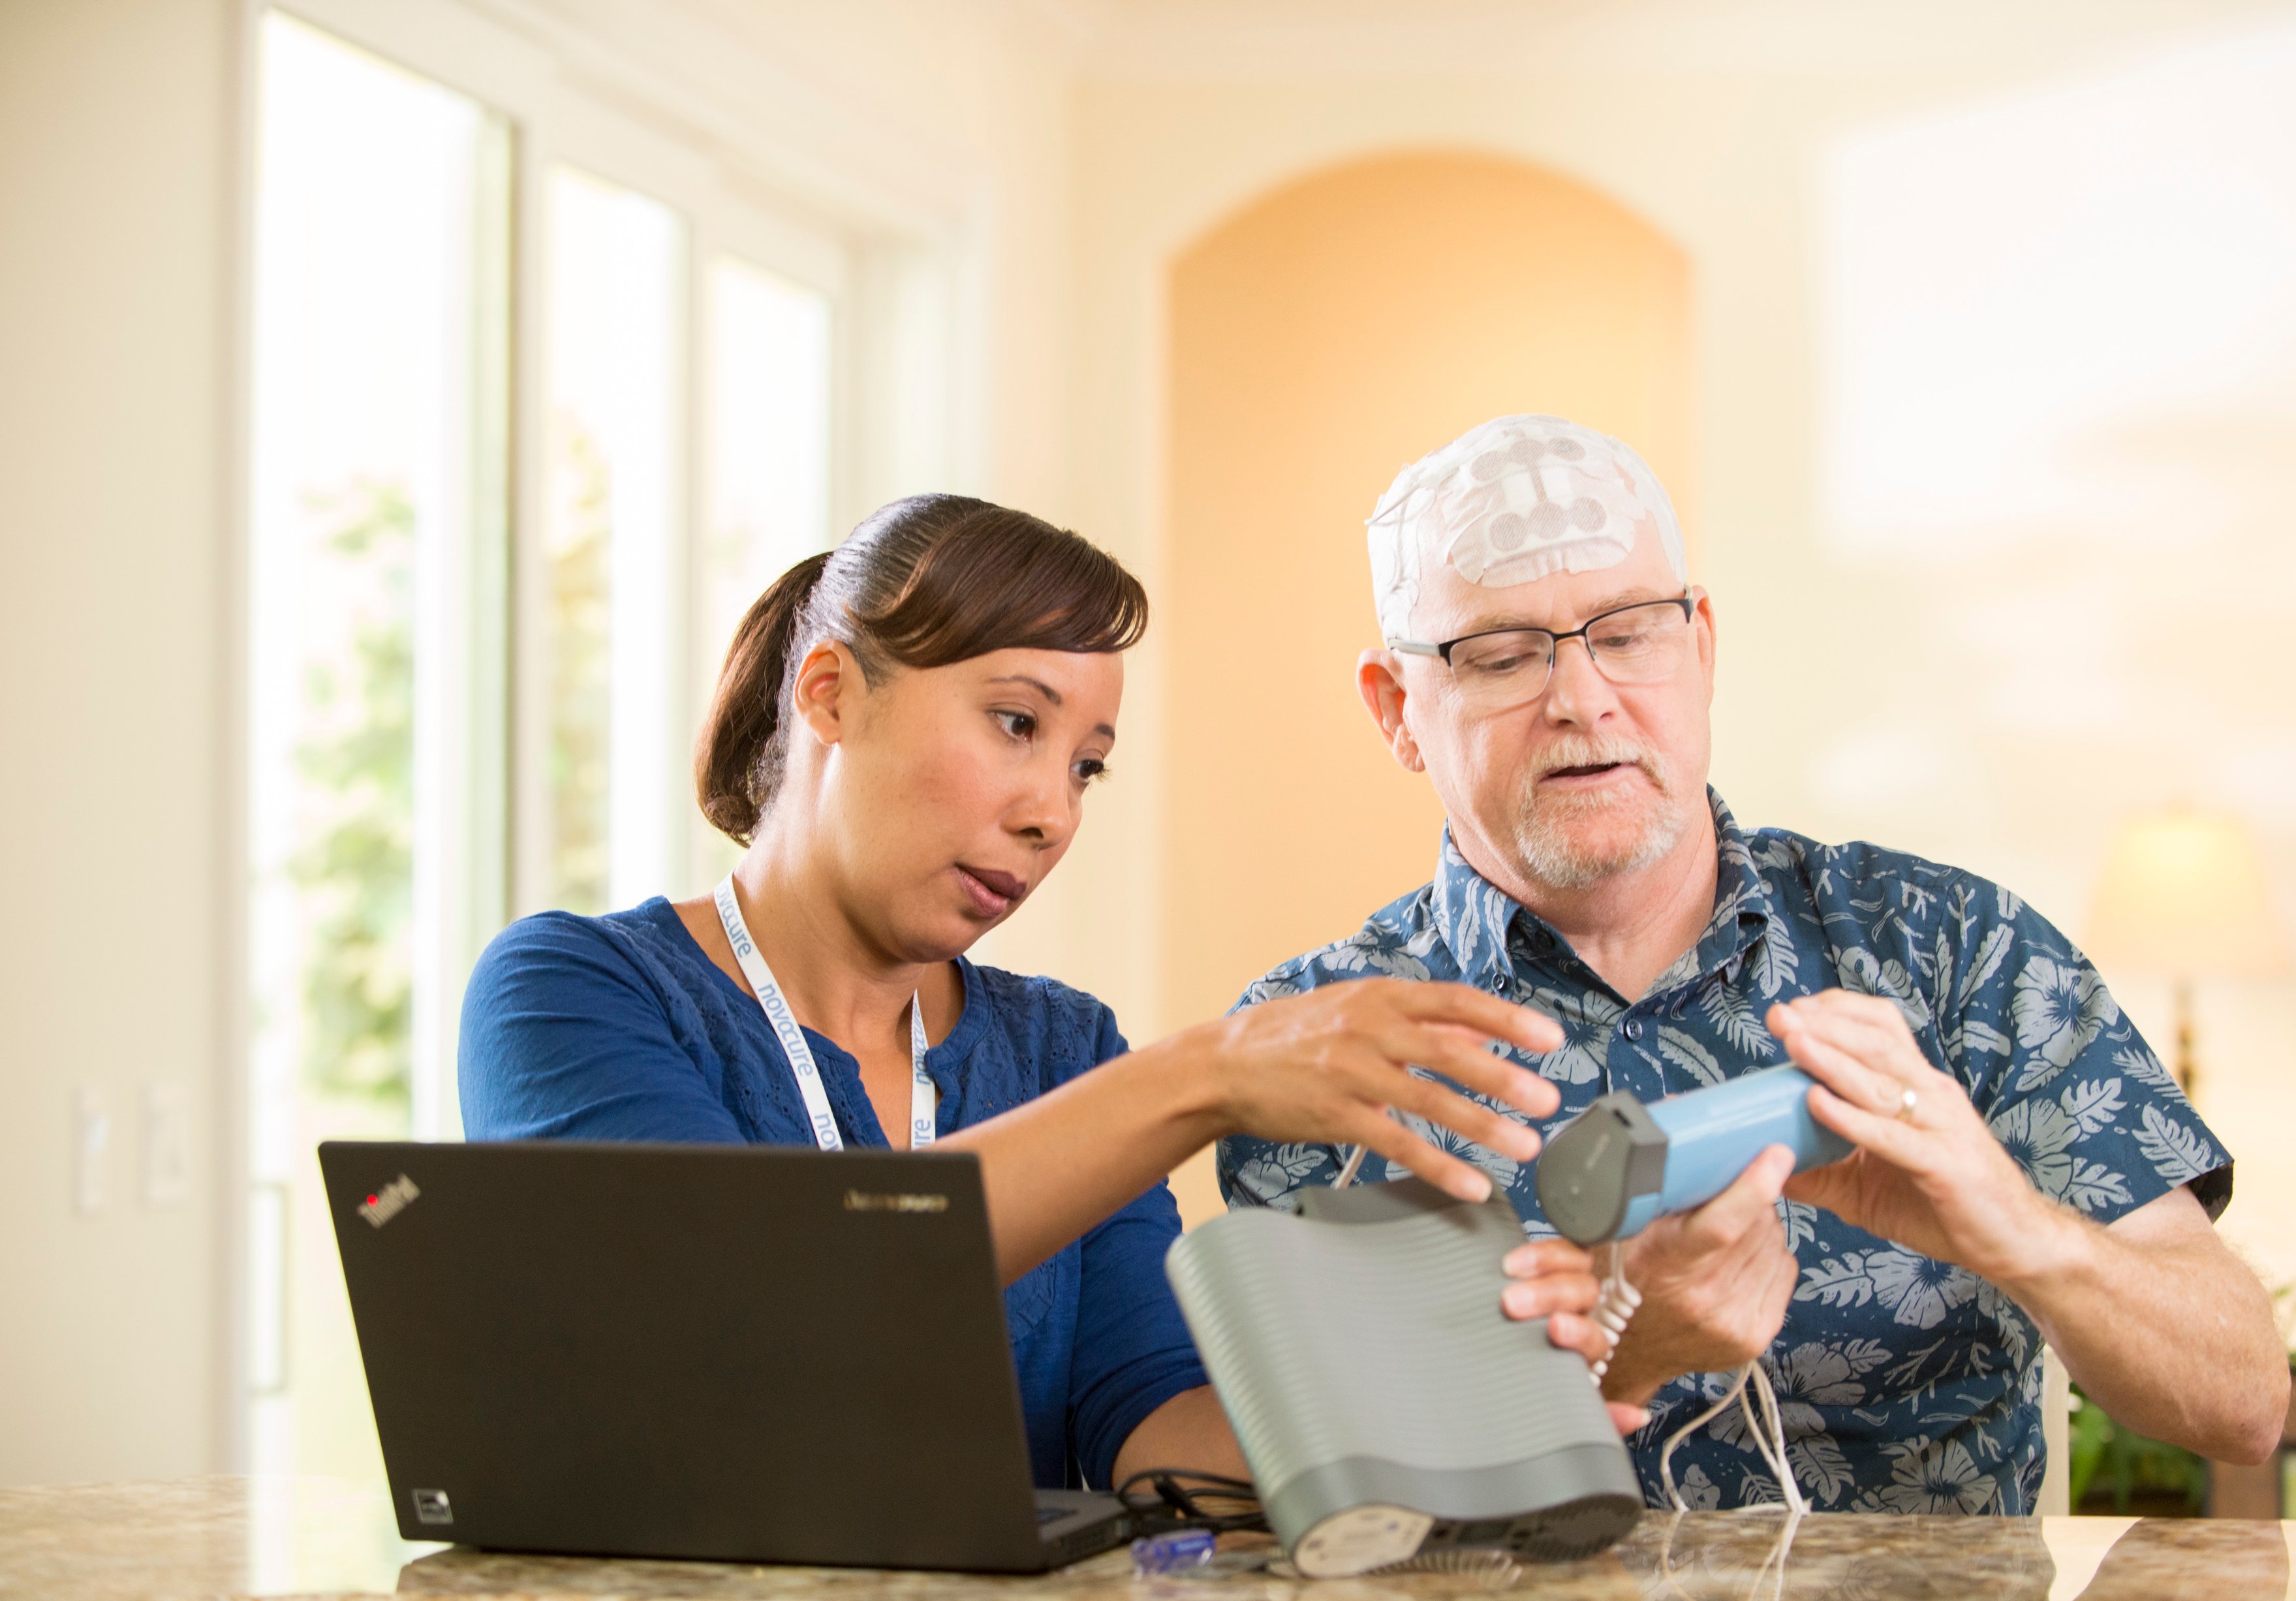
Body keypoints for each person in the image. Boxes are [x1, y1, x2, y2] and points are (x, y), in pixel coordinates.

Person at [1218, 415, 2291, 1514]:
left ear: (1703, 649)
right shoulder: (1310, 1041)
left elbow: (2242, 1404)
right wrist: (1627, 1351)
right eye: (1501, 655)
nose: (1583, 698)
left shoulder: (1954, 950)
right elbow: (1346, 1519)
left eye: (1629, 634)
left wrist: (2020, 1230)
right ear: (1398, 711)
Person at [458, 493, 1620, 1495]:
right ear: (828, 696)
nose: (1052, 813)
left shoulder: (1063, 1047)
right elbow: (756, 1303)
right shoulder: (572, 992)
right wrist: (1203, 1072)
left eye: (1086, 765)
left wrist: (1435, 1394)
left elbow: (1152, 1434)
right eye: (1016, 724)